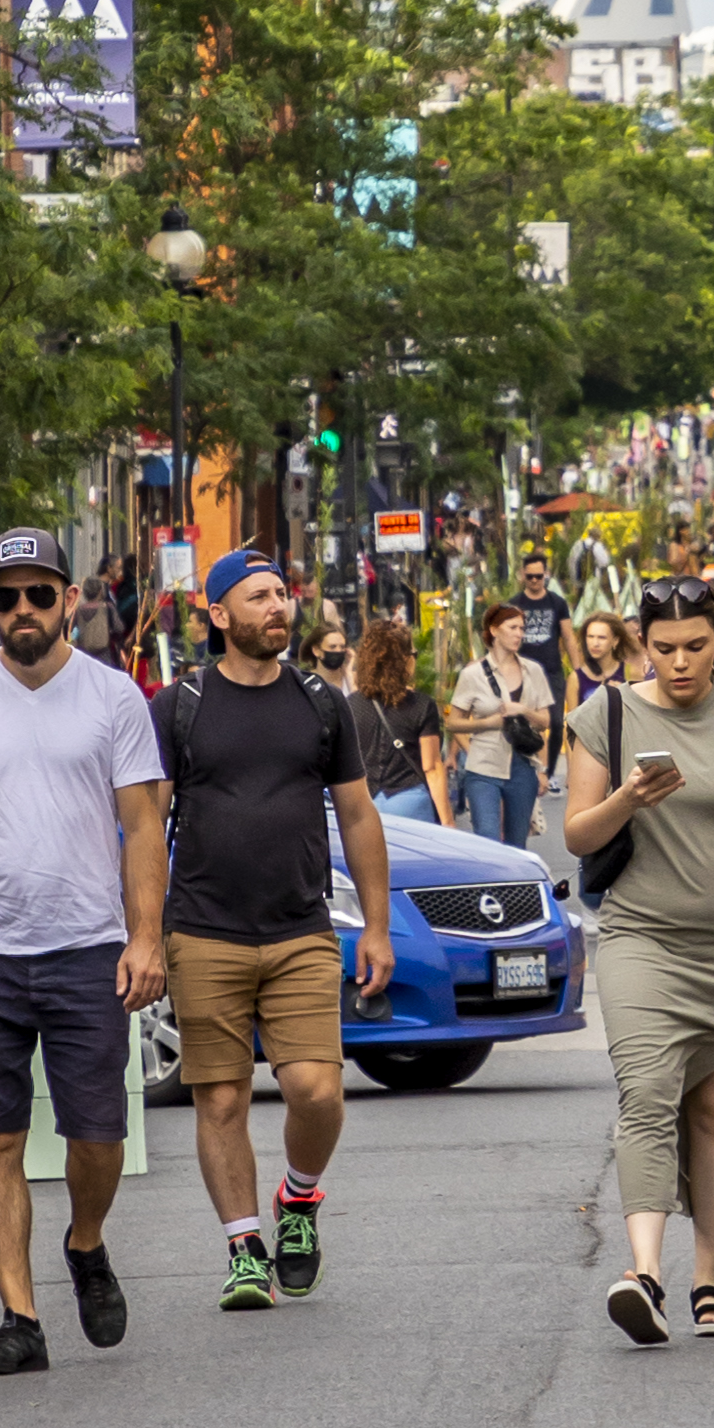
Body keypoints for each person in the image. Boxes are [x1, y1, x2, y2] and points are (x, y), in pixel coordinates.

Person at [0, 522, 172, 1379]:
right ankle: (20, 1315)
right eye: (6, 595)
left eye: (39, 593)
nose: (23, 609)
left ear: (70, 599)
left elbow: (140, 824)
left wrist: (147, 936)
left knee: (98, 1134)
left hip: (88, 946)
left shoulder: (113, 696)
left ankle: (85, 1241)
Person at [561, 572, 714, 1346]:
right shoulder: (603, 714)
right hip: (640, 937)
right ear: (642, 642)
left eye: (695, 645)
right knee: (647, 1092)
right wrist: (630, 796)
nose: (679, 661)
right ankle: (646, 1273)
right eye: (663, 647)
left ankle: (708, 1277)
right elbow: (577, 834)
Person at [160, 553, 397, 1310]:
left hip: (300, 927)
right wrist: (138, 930)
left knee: (315, 1089)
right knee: (221, 1098)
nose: (279, 606)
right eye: (258, 596)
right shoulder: (181, 704)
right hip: (203, 930)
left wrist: (379, 927)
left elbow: (358, 814)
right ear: (218, 614)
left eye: (283, 593)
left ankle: (297, 1200)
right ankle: (242, 1247)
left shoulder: (320, 702)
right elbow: (141, 823)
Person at [449, 597, 553, 846]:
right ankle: (489, 887)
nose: (519, 634)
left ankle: (512, 885)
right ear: (494, 631)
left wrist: (524, 710)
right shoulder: (472, 674)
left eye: (521, 628)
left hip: (523, 765)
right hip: (483, 765)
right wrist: (487, 724)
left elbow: (545, 722)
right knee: (488, 839)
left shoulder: (533, 670)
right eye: (512, 628)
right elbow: (453, 723)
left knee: (517, 843)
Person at [350, 609, 451, 826]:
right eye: (413, 655)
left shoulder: (351, 705)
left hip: (364, 803)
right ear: (404, 661)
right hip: (410, 803)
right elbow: (431, 766)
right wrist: (447, 821)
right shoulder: (421, 706)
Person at [511, 546, 573, 772]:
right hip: (524, 671)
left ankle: (550, 769)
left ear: (546, 575)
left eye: (539, 576)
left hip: (552, 670)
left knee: (556, 722)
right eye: (530, 577)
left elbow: (568, 637)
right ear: (522, 575)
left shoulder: (557, 603)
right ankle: (531, 765)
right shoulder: (515, 603)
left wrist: (578, 670)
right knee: (527, 721)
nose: (535, 581)